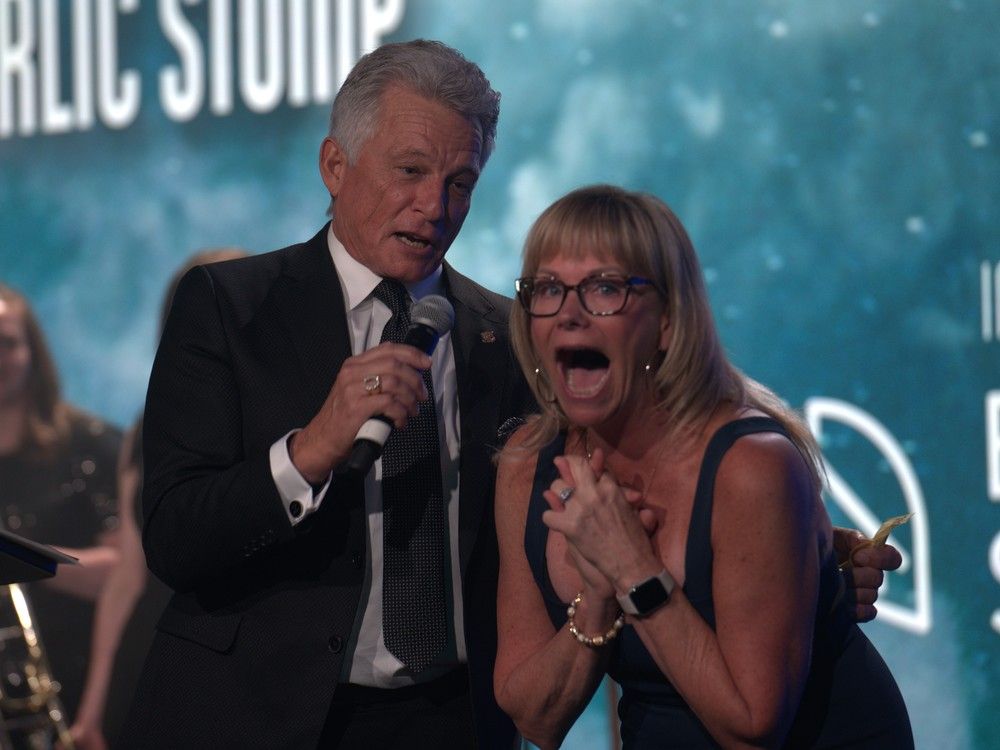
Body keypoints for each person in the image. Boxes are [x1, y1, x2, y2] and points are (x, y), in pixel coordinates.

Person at [119, 41, 901, 750]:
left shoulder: (516, 337)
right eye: (411, 171)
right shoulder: (229, 305)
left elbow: (645, 466)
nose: (436, 206)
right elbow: (176, 540)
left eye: (461, 181)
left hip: (448, 724)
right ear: (334, 165)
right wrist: (310, 452)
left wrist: (803, 555)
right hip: (251, 718)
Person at [493, 185, 914, 749]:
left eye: (605, 289)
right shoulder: (527, 466)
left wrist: (633, 570)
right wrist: (596, 595)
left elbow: (753, 727)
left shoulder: (753, 465)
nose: (569, 313)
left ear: (667, 322)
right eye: (547, 289)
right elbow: (534, 719)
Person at [66, 249, 247, 750]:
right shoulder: (147, 428)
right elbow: (127, 577)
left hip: (246, 658)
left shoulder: (294, 423)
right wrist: (93, 708)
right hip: (154, 649)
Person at [0, 283, 122, 744]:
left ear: (33, 349)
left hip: (82, 687)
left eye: (7, 343)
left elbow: (131, 574)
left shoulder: (93, 443)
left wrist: (21, 558)